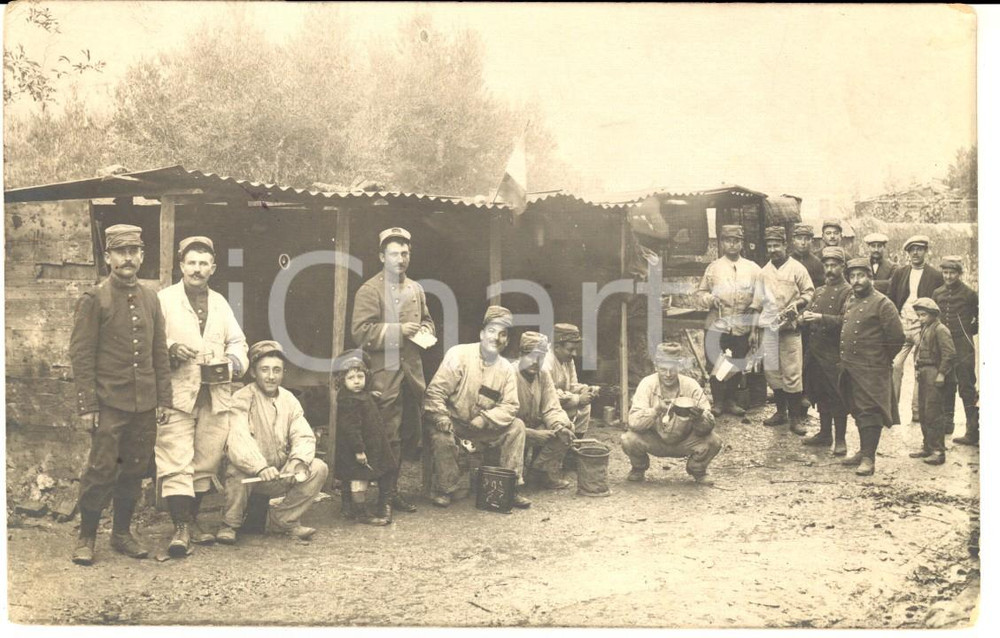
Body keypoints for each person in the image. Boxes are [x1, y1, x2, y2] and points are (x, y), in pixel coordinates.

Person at [68, 224, 173, 566]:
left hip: (144, 404)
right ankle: (86, 537)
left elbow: (159, 352)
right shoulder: (94, 299)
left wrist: (164, 399)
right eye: (120, 252)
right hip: (109, 403)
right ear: (108, 257)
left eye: (133, 251)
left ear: (142, 256)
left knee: (134, 470)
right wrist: (88, 405)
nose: (128, 258)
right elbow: (81, 354)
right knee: (101, 470)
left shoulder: (151, 298)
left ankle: (122, 534)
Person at [156, 236, 248, 557]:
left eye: (203, 263)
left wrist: (232, 362)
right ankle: (181, 526)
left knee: (205, 460)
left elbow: (238, 341)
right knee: (175, 458)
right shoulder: (165, 300)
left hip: (213, 393)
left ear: (213, 268)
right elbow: (150, 340)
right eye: (191, 262)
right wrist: (170, 349)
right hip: (177, 393)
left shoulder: (220, 303)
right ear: (181, 266)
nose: (197, 269)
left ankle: (192, 521)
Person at [351, 227, 435, 514]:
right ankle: (382, 499)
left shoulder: (416, 289)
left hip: (411, 375)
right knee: (387, 436)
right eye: (394, 254)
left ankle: (393, 491)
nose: (401, 259)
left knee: (408, 433)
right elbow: (360, 332)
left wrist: (425, 330)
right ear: (381, 257)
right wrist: (399, 331)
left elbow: (427, 321)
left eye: (405, 253)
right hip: (383, 375)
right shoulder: (370, 290)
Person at [216, 341, 329, 543]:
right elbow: (238, 438)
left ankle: (283, 520)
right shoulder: (242, 398)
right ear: (253, 372)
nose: (271, 376)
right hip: (251, 474)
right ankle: (229, 524)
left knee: (318, 468)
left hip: (280, 473)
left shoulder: (289, 399)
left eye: (276, 370)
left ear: (283, 373)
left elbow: (303, 434)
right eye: (264, 370)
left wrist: (296, 461)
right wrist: (259, 467)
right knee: (235, 471)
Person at [423, 306, 531, 509]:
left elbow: (510, 406)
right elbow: (435, 393)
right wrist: (441, 417)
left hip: (482, 427)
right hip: (453, 422)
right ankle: (445, 488)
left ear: (507, 341)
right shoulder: (459, 354)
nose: (496, 338)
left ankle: (511, 486)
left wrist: (485, 418)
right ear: (482, 333)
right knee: (441, 436)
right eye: (491, 331)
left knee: (517, 426)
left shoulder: (506, 369)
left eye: (502, 334)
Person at [838, 259, 906, 476]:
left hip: (872, 368)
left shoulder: (883, 304)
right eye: (852, 276)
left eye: (861, 276)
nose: (856, 281)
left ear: (870, 277)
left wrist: (879, 359)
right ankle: (863, 451)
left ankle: (869, 458)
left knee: (870, 411)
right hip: (851, 366)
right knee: (858, 409)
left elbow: (897, 338)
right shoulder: (851, 299)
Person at [621, 342, 721, 484]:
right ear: (656, 366)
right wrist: (656, 410)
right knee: (628, 439)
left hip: (685, 442)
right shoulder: (647, 384)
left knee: (714, 441)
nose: (668, 375)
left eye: (672, 369)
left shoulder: (691, 385)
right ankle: (638, 468)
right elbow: (633, 422)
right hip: (654, 441)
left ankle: (698, 469)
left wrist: (699, 418)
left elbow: (709, 425)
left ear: (679, 367)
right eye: (663, 369)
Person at [752, 226, 815, 434]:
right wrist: (753, 331)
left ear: (785, 245)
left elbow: (809, 293)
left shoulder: (797, 268)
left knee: (792, 372)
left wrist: (798, 304)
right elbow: (757, 303)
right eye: (769, 246)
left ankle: (795, 418)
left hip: (790, 329)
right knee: (772, 372)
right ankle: (781, 412)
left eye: (776, 245)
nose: (773, 249)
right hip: (769, 329)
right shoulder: (763, 272)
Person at [696, 224, 761, 416]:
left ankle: (731, 401)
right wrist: (709, 299)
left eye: (736, 241)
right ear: (722, 243)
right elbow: (700, 293)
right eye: (727, 241)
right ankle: (718, 402)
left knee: (736, 361)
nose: (732, 245)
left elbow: (760, 299)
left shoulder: (753, 269)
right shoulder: (713, 267)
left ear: (742, 243)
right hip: (717, 324)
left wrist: (753, 328)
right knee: (715, 362)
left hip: (741, 325)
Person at [333, 349, 396, 526]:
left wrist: (369, 396)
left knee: (361, 473)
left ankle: (349, 507)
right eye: (351, 378)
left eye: (360, 377)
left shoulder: (358, 396)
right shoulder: (348, 401)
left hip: (369, 444)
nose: (356, 381)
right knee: (358, 478)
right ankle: (360, 512)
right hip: (358, 447)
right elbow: (351, 428)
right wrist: (359, 450)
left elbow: (362, 402)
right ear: (342, 380)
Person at [799, 247, 852, 455]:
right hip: (816, 352)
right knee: (820, 393)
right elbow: (808, 312)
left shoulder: (848, 292)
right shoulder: (819, 291)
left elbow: (847, 321)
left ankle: (840, 440)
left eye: (834, 265)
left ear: (842, 267)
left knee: (837, 396)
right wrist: (801, 317)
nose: (829, 269)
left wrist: (821, 318)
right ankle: (824, 434)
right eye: (826, 265)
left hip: (834, 354)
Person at [887, 235, 945, 423]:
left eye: (919, 249)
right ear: (907, 252)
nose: (915, 253)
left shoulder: (935, 275)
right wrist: (895, 319)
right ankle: (891, 410)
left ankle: (917, 411)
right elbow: (890, 298)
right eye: (912, 250)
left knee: (921, 367)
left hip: (923, 327)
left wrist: (930, 324)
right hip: (902, 325)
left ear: (925, 251)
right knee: (895, 365)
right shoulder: (900, 272)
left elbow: (939, 302)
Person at [513, 332, 574, 490]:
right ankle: (513, 482)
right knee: (513, 432)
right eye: (531, 356)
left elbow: (551, 407)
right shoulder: (509, 374)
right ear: (521, 354)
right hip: (511, 432)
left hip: (534, 426)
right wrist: (531, 433)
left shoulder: (543, 374)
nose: (535, 362)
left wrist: (559, 426)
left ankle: (539, 472)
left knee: (565, 427)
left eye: (540, 357)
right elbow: (503, 418)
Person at [932, 256, 979, 446]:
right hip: (944, 344)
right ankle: (947, 424)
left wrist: (968, 331)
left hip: (963, 344)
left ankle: (972, 431)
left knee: (966, 386)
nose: (948, 276)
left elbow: (979, 317)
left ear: (959, 274)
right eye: (945, 272)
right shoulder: (937, 293)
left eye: (952, 273)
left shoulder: (969, 294)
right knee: (946, 382)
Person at [906, 299, 956, 466]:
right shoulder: (925, 328)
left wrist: (941, 374)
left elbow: (949, 354)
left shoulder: (941, 330)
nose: (920, 318)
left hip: (934, 372)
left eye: (924, 315)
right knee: (924, 411)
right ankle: (927, 447)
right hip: (924, 372)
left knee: (934, 412)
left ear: (934, 314)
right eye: (919, 315)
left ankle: (938, 451)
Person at [543, 323, 598, 438]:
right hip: (545, 408)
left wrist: (585, 389)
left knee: (585, 406)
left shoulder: (567, 359)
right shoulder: (545, 361)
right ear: (556, 347)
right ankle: (563, 442)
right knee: (574, 408)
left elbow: (572, 385)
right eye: (570, 349)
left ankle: (574, 444)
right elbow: (548, 396)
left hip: (561, 402)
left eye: (575, 349)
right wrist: (578, 399)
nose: (574, 354)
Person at [791, 224, 825, 288]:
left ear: (812, 241)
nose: (803, 243)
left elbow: (820, 288)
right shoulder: (787, 261)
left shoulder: (817, 263)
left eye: (807, 239)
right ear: (793, 240)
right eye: (799, 238)